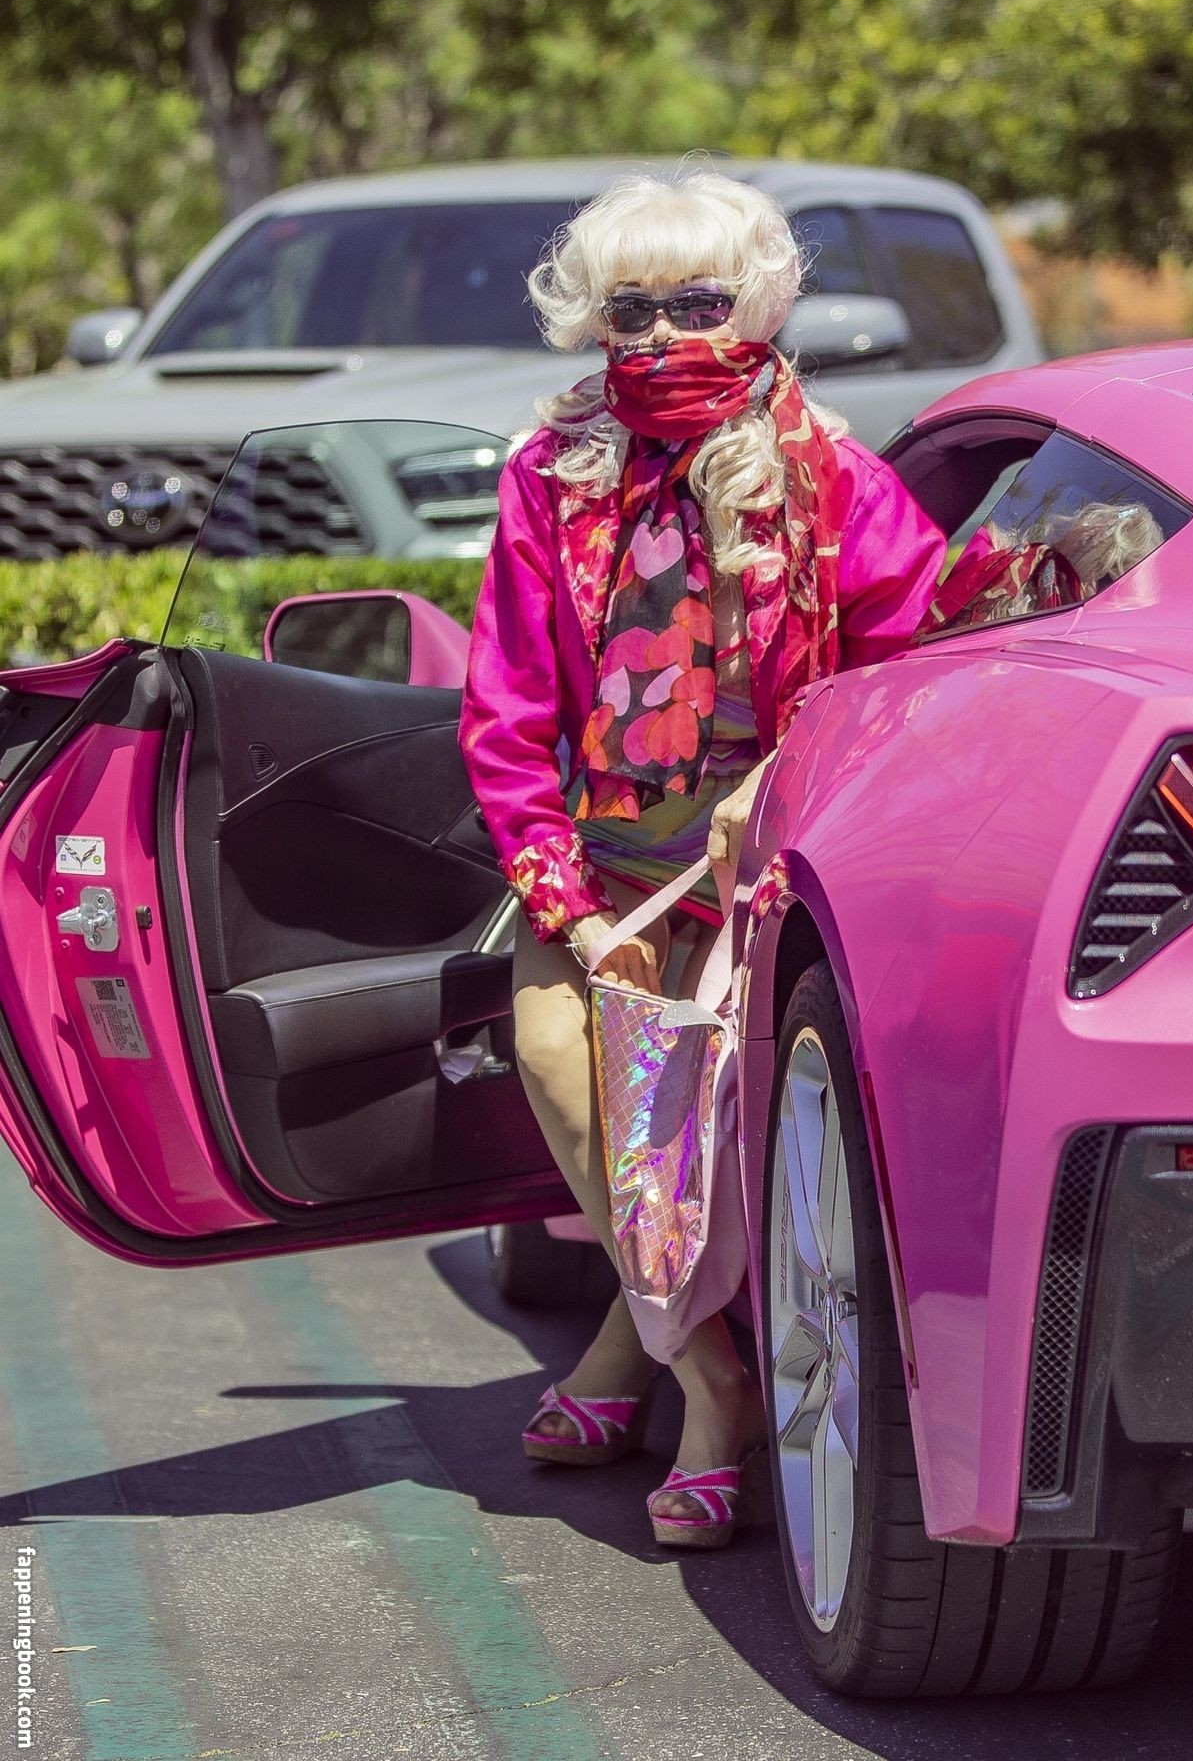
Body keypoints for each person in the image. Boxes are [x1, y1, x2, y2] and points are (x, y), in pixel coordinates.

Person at [459, 168, 946, 1548]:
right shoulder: (547, 480)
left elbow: (906, 681)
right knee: (563, 1069)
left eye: (698, 304)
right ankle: (713, 1379)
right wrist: (572, 908)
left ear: (760, 308)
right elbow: (504, 717)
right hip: (599, 861)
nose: (665, 336)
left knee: (693, 1124)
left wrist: (780, 792)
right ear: (592, 322)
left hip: (766, 863)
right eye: (633, 311)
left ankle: (648, 1369)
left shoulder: (837, 478)